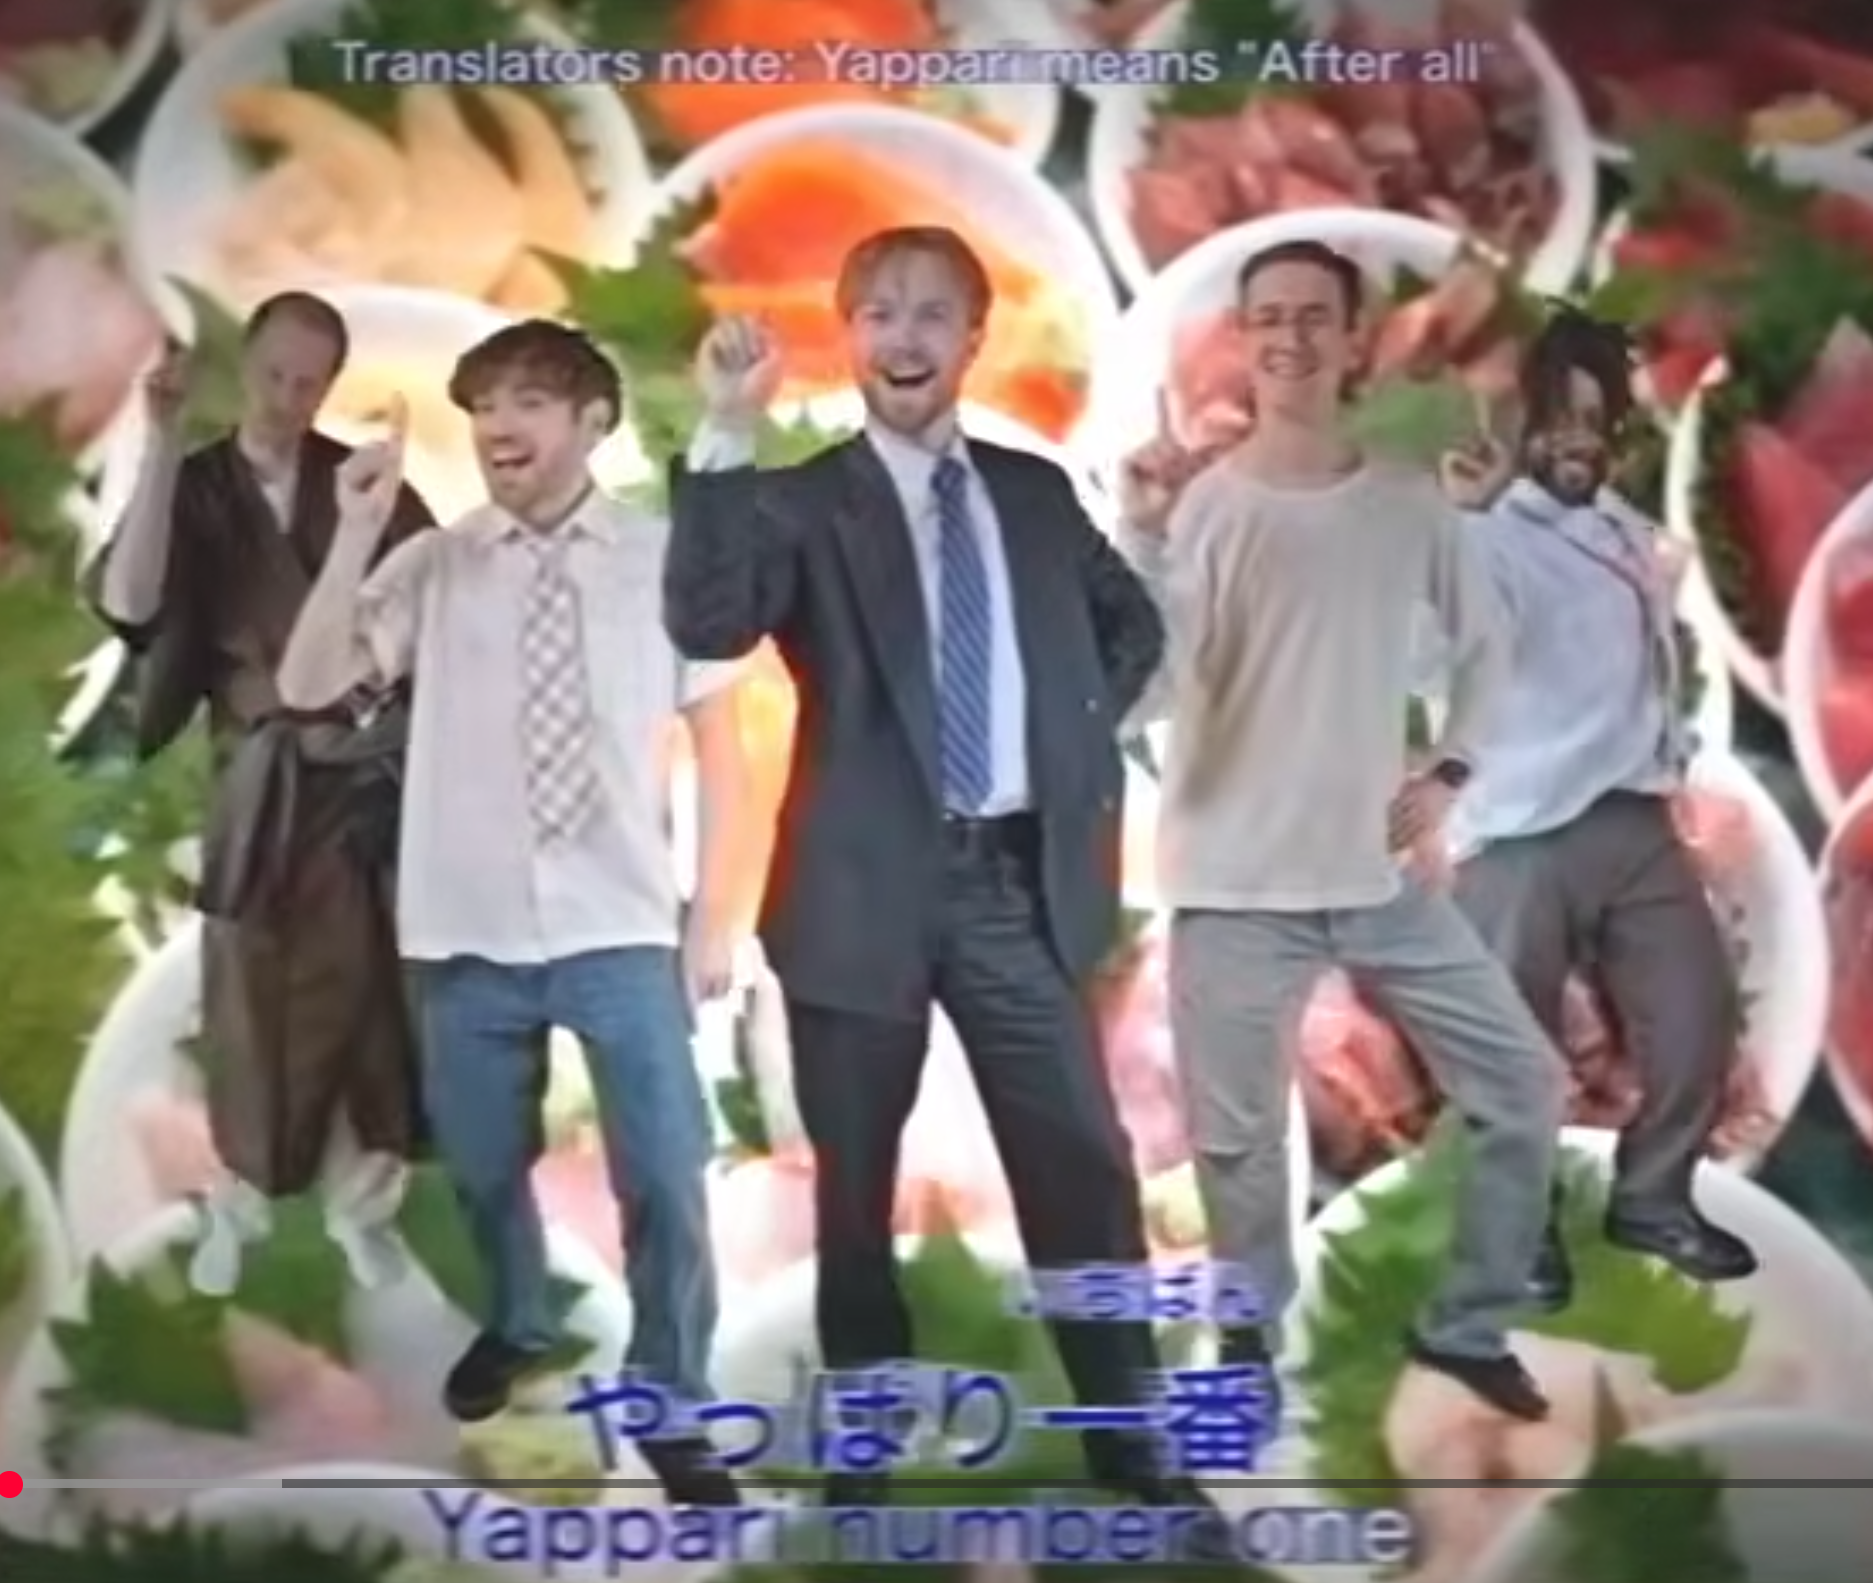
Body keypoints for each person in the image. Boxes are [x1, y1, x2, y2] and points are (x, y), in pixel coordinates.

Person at [661, 225, 1224, 1522]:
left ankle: (1140, 1454)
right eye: (880, 313)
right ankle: (862, 1464)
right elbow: (709, 615)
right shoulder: (805, 499)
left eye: (931, 314)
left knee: (1083, 1168)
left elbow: (1126, 624)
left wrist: (1067, 738)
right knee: (854, 1198)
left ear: (975, 339)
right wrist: (728, 430)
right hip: (859, 888)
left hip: (1013, 882)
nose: (904, 337)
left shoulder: (1033, 491)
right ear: (849, 337)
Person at [274, 319, 749, 1507]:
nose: (499, 424)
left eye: (529, 400)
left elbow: (722, 747)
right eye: (484, 404)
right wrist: (355, 531)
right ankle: (520, 1317)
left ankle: (671, 1396)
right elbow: (308, 684)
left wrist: (716, 914)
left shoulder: (663, 558)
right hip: (466, 930)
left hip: (621, 922)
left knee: (667, 1178)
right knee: (484, 1167)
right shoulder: (433, 566)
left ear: (593, 423)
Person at [1119, 237, 1567, 1421]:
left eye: (1314, 315)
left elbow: (1485, 644)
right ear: (1243, 336)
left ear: (1354, 337)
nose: (1290, 337)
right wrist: (1142, 536)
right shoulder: (1202, 506)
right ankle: (1248, 1353)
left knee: (1525, 1082)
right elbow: (1138, 694)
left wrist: (1451, 766)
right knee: (1237, 1148)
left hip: (1373, 873)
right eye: (1268, 316)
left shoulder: (1409, 499)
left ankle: (1468, 1324)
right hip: (1229, 876)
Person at [91, 291, 435, 1297]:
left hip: (366, 778)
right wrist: (161, 443)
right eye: (274, 373)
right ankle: (239, 1198)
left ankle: (362, 1205)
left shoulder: (359, 481)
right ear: (248, 365)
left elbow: (433, 599)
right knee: (250, 991)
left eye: (307, 382)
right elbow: (130, 602)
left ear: (329, 385)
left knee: (371, 1000)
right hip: (260, 777)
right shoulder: (198, 486)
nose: (287, 396)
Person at [1435, 306, 1757, 1297]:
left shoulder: (1628, 534)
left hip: (1633, 814)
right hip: (1517, 829)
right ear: (1520, 424)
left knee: (1696, 1013)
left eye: (1596, 419)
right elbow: (1419, 651)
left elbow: (1655, 663)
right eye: (1557, 419)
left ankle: (1653, 1198)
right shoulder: (1484, 539)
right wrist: (1463, 525)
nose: (1577, 440)